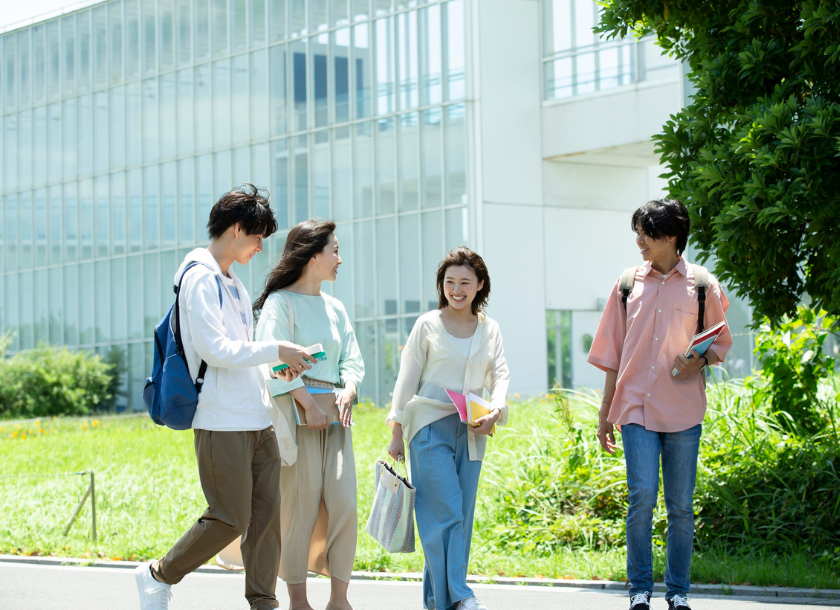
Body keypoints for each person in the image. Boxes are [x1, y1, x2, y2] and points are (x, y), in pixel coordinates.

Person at [134, 184, 318, 610]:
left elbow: (240, 351)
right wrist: (276, 349)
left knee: (266, 519)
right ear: (237, 229)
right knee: (230, 517)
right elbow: (215, 350)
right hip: (221, 420)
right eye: (257, 238)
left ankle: (262, 602)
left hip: (256, 417)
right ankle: (158, 574)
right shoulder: (199, 279)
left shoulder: (232, 283)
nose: (259, 248)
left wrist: (277, 366)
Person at [587, 199, 733, 610]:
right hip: (634, 407)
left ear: (671, 237)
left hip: (683, 409)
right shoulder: (627, 284)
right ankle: (639, 590)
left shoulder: (703, 284)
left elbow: (720, 341)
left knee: (681, 506)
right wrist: (605, 411)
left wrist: (698, 361)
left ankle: (678, 592)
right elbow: (612, 352)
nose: (639, 241)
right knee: (642, 497)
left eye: (646, 233)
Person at [219, 219, 364, 610]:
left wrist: (349, 386)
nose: (339, 258)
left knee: (344, 504)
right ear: (313, 255)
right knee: (298, 507)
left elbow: (352, 358)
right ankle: (299, 599)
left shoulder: (335, 307)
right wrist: (308, 403)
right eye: (334, 250)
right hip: (297, 420)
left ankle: (340, 598)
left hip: (335, 422)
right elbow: (270, 361)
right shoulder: (279, 304)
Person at [387, 247, 510, 610]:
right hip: (428, 427)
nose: (456, 289)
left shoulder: (491, 329)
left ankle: (438, 602)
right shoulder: (427, 324)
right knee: (446, 513)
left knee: (460, 518)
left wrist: (497, 410)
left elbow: (500, 374)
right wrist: (396, 430)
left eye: (465, 283)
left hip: (473, 430)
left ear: (480, 286)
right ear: (442, 285)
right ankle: (461, 594)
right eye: (449, 282)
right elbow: (406, 379)